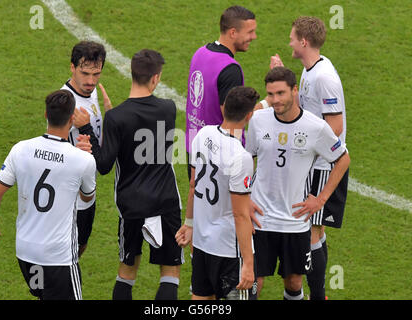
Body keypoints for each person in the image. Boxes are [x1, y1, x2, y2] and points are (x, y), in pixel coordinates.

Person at [74, 49, 183, 300]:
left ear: (132, 73)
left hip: (131, 204)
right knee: (170, 272)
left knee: (127, 272)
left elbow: (103, 165)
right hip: (165, 201)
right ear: (155, 78)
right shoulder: (168, 109)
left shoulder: (117, 117)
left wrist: (87, 127)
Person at [246, 67, 350, 300]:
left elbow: (343, 159)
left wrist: (321, 199)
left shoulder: (316, 127)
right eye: (270, 94)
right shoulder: (258, 121)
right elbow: (245, 159)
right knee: (253, 282)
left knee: (293, 283)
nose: (275, 100)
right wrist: (244, 199)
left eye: (281, 93)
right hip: (259, 219)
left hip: (294, 222)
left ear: (295, 91)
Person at [0, 90, 96, 300]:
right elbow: (87, 198)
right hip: (58, 258)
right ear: (72, 119)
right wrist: (82, 157)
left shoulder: (21, 149)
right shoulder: (83, 161)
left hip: (26, 255)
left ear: (46, 114)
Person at [270, 16, 348, 300]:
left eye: (292, 37)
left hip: (322, 166)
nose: (289, 41)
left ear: (303, 42)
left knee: (311, 232)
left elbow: (335, 128)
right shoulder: (308, 71)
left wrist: (305, 148)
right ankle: (320, 294)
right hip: (312, 164)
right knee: (316, 229)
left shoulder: (324, 77)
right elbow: (307, 110)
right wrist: (282, 74)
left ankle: (317, 295)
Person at [176, 86, 260, 300]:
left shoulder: (203, 134)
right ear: (249, 116)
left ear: (224, 108)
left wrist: (189, 223)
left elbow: (194, 184)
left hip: (202, 245)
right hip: (228, 251)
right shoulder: (240, 157)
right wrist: (248, 264)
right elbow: (240, 215)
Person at [185, 5, 257, 180]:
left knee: (198, 204)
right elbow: (233, 118)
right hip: (219, 157)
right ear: (233, 32)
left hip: (194, 148)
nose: (253, 37)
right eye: (250, 32)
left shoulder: (200, 52)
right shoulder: (230, 69)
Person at [61, 40, 111, 257]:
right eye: (85, 73)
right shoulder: (65, 102)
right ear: (72, 67)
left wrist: (111, 117)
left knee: (80, 247)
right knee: (67, 253)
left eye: (96, 74)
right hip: (69, 194)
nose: (91, 81)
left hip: (87, 189)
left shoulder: (91, 91)